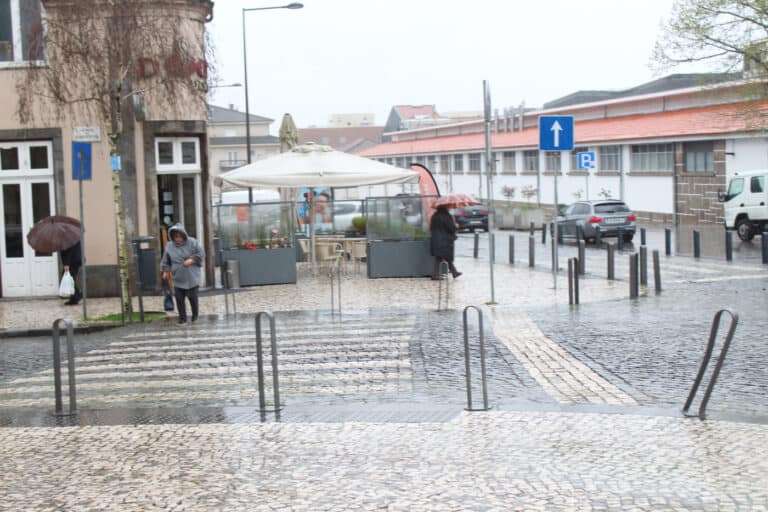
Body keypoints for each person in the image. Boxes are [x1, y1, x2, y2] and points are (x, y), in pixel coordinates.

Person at [161, 223, 204, 325]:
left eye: (180, 236)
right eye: (176, 237)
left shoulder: (192, 242)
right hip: (178, 277)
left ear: (184, 235)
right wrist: (165, 271)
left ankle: (195, 315)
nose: (178, 239)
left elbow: (201, 253)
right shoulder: (169, 246)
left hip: (192, 277)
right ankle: (182, 319)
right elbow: (166, 260)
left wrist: (192, 260)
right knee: (179, 299)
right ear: (172, 237)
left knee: (192, 298)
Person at [429, 205, 461, 280]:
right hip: (445, 239)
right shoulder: (446, 216)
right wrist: (456, 226)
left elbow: (431, 228)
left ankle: (454, 272)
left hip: (436, 239)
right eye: (448, 207)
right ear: (445, 208)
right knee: (443, 256)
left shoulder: (434, 216)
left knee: (441, 256)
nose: (449, 208)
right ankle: (435, 275)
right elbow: (451, 228)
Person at [60, 241, 82, 305]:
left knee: (70, 278)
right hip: (74, 260)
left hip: (72, 261)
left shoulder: (68, 238)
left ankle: (77, 294)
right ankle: (74, 298)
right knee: (71, 279)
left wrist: (66, 264)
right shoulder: (70, 237)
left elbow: (69, 250)